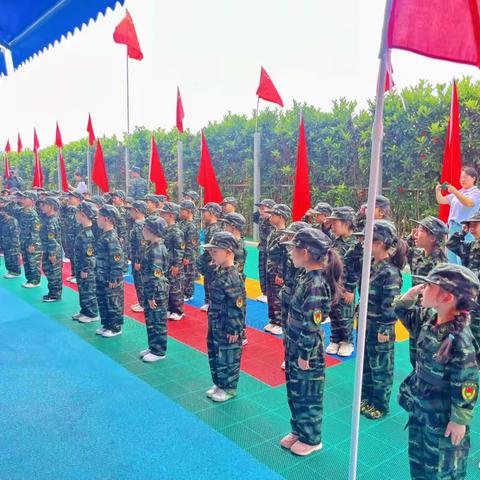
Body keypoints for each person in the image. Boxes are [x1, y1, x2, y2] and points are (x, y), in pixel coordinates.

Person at [394, 264, 479, 480]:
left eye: (429, 286)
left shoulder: (461, 338)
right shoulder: (428, 319)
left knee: (442, 471)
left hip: (442, 420)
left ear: (447, 298)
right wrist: (412, 293)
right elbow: (401, 310)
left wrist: (460, 419)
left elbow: (467, 383)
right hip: (420, 409)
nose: (423, 288)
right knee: (418, 463)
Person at [280, 227, 343, 456]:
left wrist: (304, 354)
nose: (290, 253)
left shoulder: (316, 284)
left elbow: (311, 324)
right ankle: (299, 429)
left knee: (309, 393)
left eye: (293, 249)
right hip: (294, 343)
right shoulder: (306, 276)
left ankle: (312, 437)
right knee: (295, 390)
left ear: (305, 252)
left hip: (307, 349)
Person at [357, 220, 407, 419]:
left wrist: (384, 329)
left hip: (381, 327)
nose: (363, 243)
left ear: (380, 243)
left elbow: (390, 305)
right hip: (367, 324)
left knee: (381, 367)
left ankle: (380, 404)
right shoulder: (372, 265)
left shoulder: (390, 272)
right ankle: (367, 397)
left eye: (367, 239)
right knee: (367, 363)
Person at [203, 231, 246, 402]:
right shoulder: (218, 269)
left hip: (227, 325)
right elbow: (200, 266)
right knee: (215, 353)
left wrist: (235, 328)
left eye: (215, 251)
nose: (212, 253)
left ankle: (228, 388)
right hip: (215, 322)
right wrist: (208, 254)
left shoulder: (233, 276)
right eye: (211, 251)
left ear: (228, 252)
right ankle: (219, 383)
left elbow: (237, 306)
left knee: (228, 356)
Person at [405, 215, 448, 367]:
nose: (417, 232)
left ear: (432, 238)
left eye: (422, 230)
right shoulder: (417, 254)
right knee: (413, 355)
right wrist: (410, 238)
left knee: (427, 358)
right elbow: (400, 248)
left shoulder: (440, 264)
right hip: (416, 311)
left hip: (431, 317)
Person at [325, 206, 358, 357]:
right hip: (333, 284)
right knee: (334, 312)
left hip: (345, 287)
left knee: (345, 314)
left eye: (335, 223)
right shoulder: (335, 241)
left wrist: (350, 289)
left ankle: (347, 341)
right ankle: (335, 338)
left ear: (346, 223)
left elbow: (356, 268)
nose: (332, 227)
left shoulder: (355, 244)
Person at [446, 211, 480, 349]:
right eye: (469, 225)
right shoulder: (471, 247)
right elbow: (451, 244)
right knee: (471, 334)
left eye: (475, 225)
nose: (471, 228)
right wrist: (462, 232)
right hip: (471, 299)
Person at [278, 221, 309, 370]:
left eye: (292, 235)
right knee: (286, 327)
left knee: (298, 327)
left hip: (297, 297)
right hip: (287, 293)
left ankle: (299, 356)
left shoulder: (305, 259)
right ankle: (288, 355)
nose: (288, 238)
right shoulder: (288, 251)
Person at [139, 216, 170, 363]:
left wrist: (151, 295)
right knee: (151, 319)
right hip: (152, 288)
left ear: (153, 231)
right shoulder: (153, 246)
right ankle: (153, 346)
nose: (144, 231)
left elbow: (156, 275)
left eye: (147, 228)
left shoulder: (157, 249)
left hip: (156, 290)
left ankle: (159, 350)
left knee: (157, 320)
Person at [435, 166, 480, 264]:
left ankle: (465, 279)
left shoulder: (476, 193)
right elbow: (442, 200)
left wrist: (455, 192)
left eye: (465, 177)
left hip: (465, 229)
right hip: (453, 228)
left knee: (463, 260)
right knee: (451, 259)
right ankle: (453, 279)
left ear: (474, 178)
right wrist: (438, 191)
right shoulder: (460, 192)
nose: (462, 180)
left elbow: (469, 203)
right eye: (461, 177)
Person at [95, 205, 125, 338]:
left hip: (110, 277)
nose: (97, 219)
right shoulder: (104, 235)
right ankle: (106, 324)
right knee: (103, 300)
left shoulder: (112, 237)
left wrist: (114, 278)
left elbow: (117, 261)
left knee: (113, 301)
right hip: (102, 275)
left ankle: (115, 327)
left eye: (99, 216)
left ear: (106, 218)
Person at [264, 203, 291, 335]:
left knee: (278, 297)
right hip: (270, 269)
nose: (270, 217)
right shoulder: (273, 232)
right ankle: (273, 320)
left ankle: (280, 322)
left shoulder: (285, 235)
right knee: (271, 295)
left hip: (278, 271)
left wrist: (280, 273)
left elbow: (284, 256)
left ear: (281, 217)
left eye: (273, 214)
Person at [72, 201, 99, 323]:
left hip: (86, 268)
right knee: (83, 289)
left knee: (88, 289)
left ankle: (92, 313)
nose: (75, 215)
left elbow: (89, 255)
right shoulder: (84, 230)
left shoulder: (88, 233)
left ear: (83, 214)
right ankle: (85, 310)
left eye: (77, 213)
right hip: (80, 266)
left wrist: (85, 269)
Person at [159, 202, 185, 321]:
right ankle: (170, 308)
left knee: (175, 288)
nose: (161, 214)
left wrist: (177, 265)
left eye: (163, 213)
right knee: (167, 287)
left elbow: (180, 249)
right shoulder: (164, 229)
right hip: (165, 263)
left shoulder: (176, 231)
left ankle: (178, 311)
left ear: (170, 215)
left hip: (173, 264)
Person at [197, 202, 222, 312]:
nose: (203, 215)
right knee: (207, 281)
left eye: (205, 212)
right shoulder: (209, 227)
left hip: (212, 260)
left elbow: (215, 248)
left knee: (212, 281)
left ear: (211, 213)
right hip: (207, 259)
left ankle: (212, 302)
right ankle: (208, 301)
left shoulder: (215, 229)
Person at [38, 197, 63, 302]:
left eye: (44, 205)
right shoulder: (47, 218)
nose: (42, 207)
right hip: (48, 249)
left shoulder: (52, 220)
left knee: (54, 272)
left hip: (52, 250)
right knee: (48, 270)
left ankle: (55, 294)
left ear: (51, 207)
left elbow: (52, 238)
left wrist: (52, 253)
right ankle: (52, 292)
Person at [128, 200, 149, 313]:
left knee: (140, 281)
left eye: (132, 210)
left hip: (139, 260)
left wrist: (138, 260)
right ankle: (141, 301)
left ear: (137, 211)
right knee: (138, 281)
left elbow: (142, 245)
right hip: (135, 257)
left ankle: (143, 303)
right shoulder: (138, 224)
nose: (130, 212)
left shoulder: (141, 225)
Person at [17, 191, 41, 288]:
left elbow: (36, 230)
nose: (22, 200)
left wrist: (33, 244)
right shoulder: (22, 211)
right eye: (22, 198)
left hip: (31, 241)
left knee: (33, 262)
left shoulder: (33, 214)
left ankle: (35, 281)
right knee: (26, 261)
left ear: (32, 200)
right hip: (24, 240)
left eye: (25, 198)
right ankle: (29, 279)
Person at [254, 198, 275, 303]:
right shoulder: (261, 219)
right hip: (262, 248)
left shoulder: (273, 222)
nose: (260, 211)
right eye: (259, 209)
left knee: (269, 271)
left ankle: (269, 294)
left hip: (270, 251)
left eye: (263, 209)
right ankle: (264, 293)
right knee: (261, 269)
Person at [178, 200, 199, 302]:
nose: (180, 212)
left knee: (188, 274)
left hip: (188, 254)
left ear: (189, 211)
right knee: (184, 274)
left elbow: (190, 243)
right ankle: (184, 291)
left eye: (183, 210)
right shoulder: (182, 223)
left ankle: (188, 293)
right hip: (182, 252)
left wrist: (187, 257)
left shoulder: (191, 226)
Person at [0, 207, 21, 279]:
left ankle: (15, 272)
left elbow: (15, 234)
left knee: (13, 257)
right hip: (5, 242)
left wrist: (14, 244)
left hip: (12, 242)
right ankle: (10, 271)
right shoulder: (2, 220)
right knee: (8, 257)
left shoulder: (12, 220)